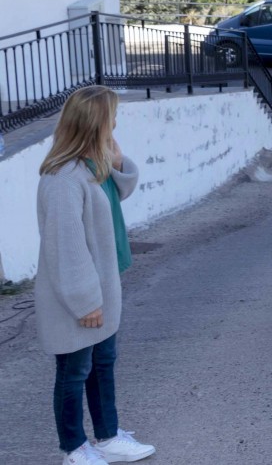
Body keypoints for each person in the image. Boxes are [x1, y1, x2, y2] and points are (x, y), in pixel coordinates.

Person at [36, 86, 156, 465]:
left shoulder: (92, 165)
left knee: (102, 365)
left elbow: (115, 197)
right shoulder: (63, 179)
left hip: (103, 289)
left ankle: (107, 437)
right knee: (74, 373)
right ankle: (74, 448)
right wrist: (85, 301)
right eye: (112, 116)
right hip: (80, 297)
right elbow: (65, 247)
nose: (117, 121)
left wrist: (118, 162)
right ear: (95, 123)